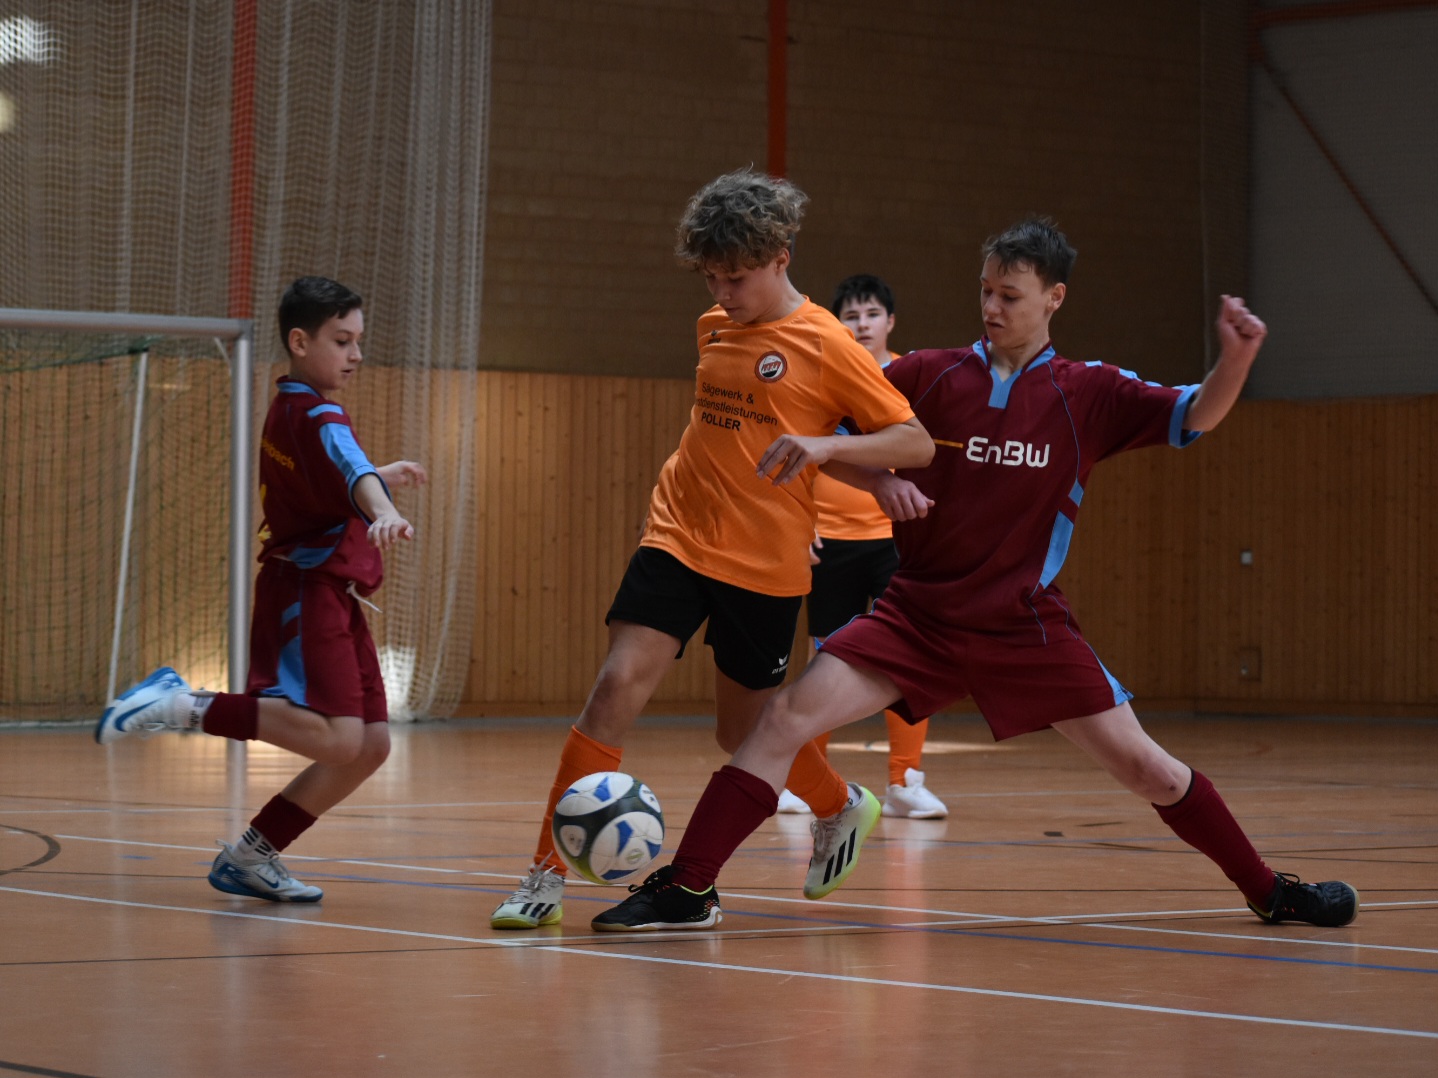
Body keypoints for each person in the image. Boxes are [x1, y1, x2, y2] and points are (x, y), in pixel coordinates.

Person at [591, 217, 1360, 932]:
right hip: (916, 615)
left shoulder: (1088, 393)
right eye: (986, 291)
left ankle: (1270, 890)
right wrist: (857, 487)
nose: (992, 307)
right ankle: (689, 888)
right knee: (783, 718)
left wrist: (1237, 358)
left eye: (1010, 296)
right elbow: (818, 441)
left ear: (1054, 298)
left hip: (1023, 625)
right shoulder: (927, 376)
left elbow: (1195, 415)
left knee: (1148, 769)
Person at [489, 168, 934, 930]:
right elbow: (753, 432)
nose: (722, 293)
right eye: (711, 278)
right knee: (614, 688)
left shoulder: (827, 342)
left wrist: (841, 456)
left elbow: (915, 442)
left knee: (741, 732)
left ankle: (839, 805)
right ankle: (545, 875)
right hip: (679, 532)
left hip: (765, 561)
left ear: (781, 256)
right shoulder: (714, 326)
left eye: (736, 277)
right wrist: (838, 463)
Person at [95, 276, 428, 903]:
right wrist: (382, 505)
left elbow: (331, 476)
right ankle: (180, 703)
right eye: (342, 340)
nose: (356, 354)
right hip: (307, 589)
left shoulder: (290, 407)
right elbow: (350, 465)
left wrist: (378, 477)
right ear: (300, 342)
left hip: (334, 592)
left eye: (359, 340)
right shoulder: (320, 412)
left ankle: (251, 856)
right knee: (340, 739)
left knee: (370, 745)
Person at [778, 274, 947, 820]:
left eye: (872, 314)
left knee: (909, 655)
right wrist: (802, 523)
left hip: (895, 541)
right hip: (831, 541)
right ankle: (811, 783)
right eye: (851, 315)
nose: (863, 324)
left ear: (890, 322)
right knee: (825, 658)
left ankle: (905, 781)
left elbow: (927, 452)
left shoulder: (910, 379)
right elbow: (799, 454)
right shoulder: (824, 379)